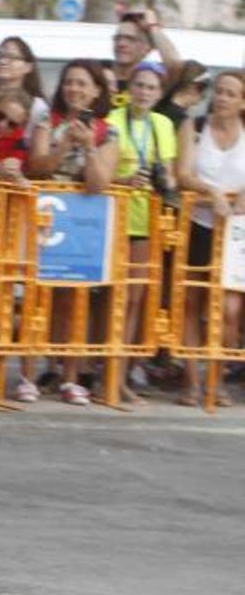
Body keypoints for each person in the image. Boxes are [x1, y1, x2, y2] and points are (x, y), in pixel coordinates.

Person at [26, 59, 119, 405]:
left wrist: (89, 146)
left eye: (82, 84)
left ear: (97, 91)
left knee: (74, 299)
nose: (74, 89)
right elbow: (36, 168)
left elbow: (99, 183)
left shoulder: (107, 131)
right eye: (69, 83)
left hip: (82, 226)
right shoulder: (44, 121)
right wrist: (64, 143)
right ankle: (32, 372)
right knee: (39, 299)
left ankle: (69, 376)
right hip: (43, 219)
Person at [107, 60, 178, 406]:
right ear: (129, 88)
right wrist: (125, 181)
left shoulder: (162, 124)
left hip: (146, 222)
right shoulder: (113, 122)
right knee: (115, 302)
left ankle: (122, 376)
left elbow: (169, 174)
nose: (144, 93)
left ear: (159, 93)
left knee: (135, 302)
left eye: (151, 88)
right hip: (117, 219)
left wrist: (166, 182)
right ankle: (108, 378)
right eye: (139, 86)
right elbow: (102, 173)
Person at [176, 70, 245, 406]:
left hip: (235, 234)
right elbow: (183, 174)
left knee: (230, 309)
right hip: (198, 223)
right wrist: (212, 191)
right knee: (191, 303)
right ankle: (192, 382)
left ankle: (217, 379)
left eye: (231, 93)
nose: (222, 98)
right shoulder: (195, 126)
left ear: (242, 101)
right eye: (219, 91)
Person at [110, 8, 181, 106]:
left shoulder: (152, 81)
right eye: (117, 38)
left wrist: (152, 26)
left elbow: (174, 62)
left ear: (147, 48)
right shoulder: (100, 74)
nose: (121, 43)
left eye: (130, 39)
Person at [0, 36, 49, 141]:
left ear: (28, 67)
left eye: (12, 57)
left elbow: (38, 153)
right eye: (0, 55)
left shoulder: (38, 108)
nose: (3, 61)